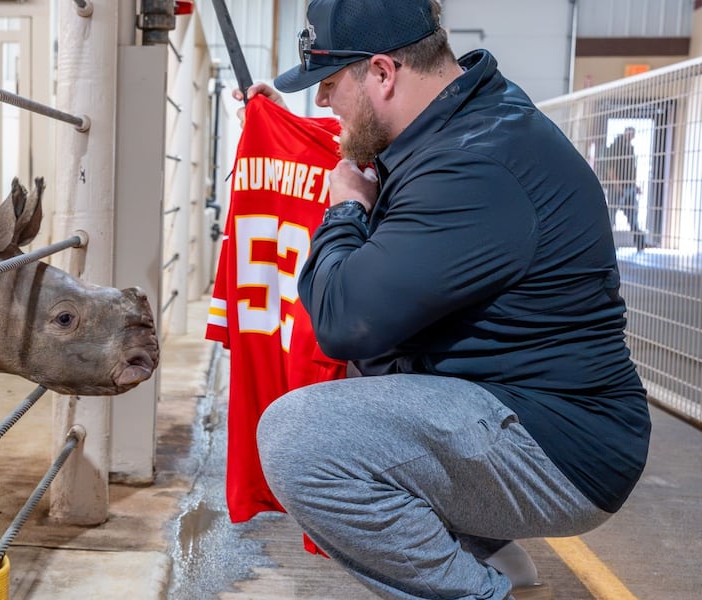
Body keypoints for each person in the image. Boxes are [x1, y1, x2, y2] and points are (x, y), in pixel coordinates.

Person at [236, 1, 651, 599]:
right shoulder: (461, 126)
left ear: (381, 73)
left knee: (301, 439)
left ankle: (482, 592)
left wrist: (346, 207)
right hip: (522, 409)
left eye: (328, 86)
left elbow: (342, 319)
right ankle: (498, 566)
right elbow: (382, 193)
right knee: (368, 380)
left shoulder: (475, 165)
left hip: (563, 450)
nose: (321, 104)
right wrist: (282, 129)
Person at [600, 126, 646, 251]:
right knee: (611, 218)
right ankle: (607, 245)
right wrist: (617, 186)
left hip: (629, 188)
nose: (631, 136)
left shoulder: (630, 149)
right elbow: (610, 169)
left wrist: (634, 185)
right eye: (630, 134)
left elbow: (631, 169)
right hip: (617, 188)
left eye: (633, 134)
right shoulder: (615, 146)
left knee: (633, 217)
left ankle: (640, 244)